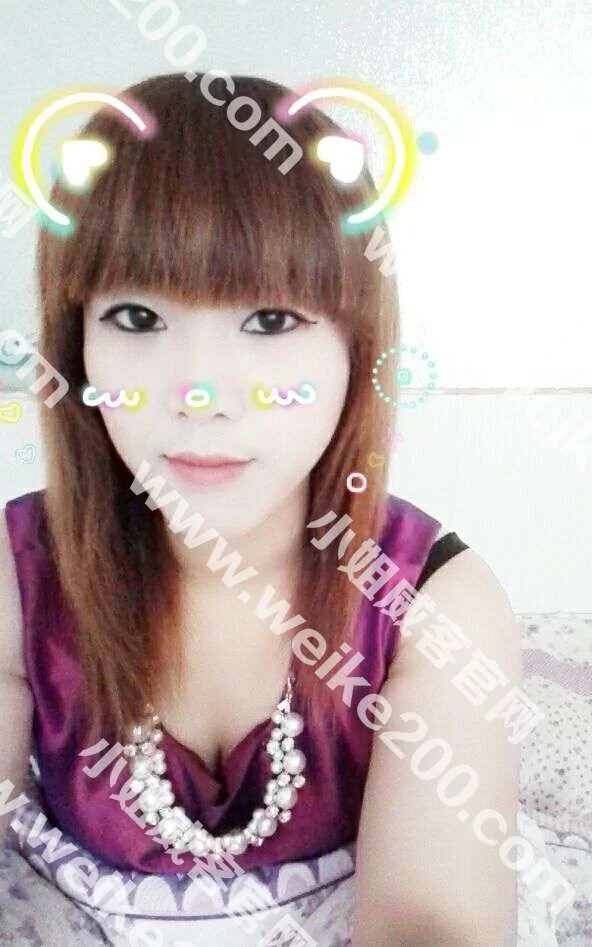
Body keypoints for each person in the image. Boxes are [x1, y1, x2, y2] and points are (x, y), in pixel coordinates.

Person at [0, 72, 521, 945]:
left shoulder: (432, 603)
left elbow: (433, 924)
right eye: (137, 316)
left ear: (356, 345)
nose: (200, 394)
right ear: (76, 343)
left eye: (272, 320)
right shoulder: (19, 580)